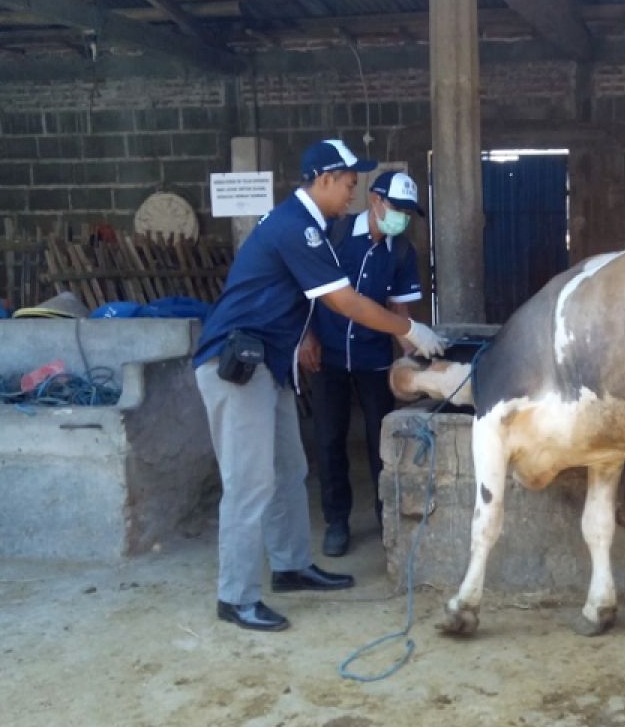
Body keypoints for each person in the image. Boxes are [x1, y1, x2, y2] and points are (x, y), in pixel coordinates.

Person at [192, 139, 447, 632]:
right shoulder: (297, 228)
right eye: (350, 184)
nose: (352, 194)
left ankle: (289, 566)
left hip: (270, 363)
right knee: (249, 484)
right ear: (325, 178)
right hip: (237, 364)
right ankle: (236, 596)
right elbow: (345, 303)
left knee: (289, 468)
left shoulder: (312, 226)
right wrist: (410, 330)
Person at [297, 171, 425, 557]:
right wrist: (306, 336)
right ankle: (337, 521)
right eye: (396, 207)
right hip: (328, 352)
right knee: (329, 438)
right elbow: (304, 292)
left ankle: (387, 516)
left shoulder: (401, 252)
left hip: (372, 357)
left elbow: (399, 311)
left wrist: (414, 357)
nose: (401, 217)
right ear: (375, 200)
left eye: (407, 211)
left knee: (379, 439)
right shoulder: (332, 237)